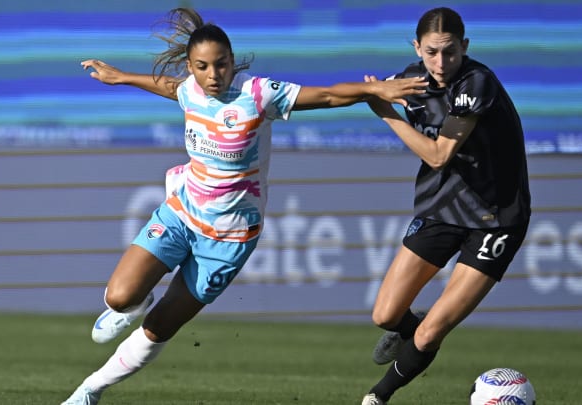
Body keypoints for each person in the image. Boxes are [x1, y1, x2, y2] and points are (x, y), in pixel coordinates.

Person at [60, 7, 426, 405]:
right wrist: (121, 77)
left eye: (221, 65)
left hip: (229, 238)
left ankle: (90, 390)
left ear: (233, 61)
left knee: (160, 325)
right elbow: (170, 86)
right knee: (119, 297)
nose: (213, 75)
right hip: (182, 212)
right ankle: (136, 299)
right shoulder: (190, 90)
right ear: (191, 67)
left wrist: (375, 90)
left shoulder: (258, 94)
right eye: (202, 67)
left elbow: (327, 95)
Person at [359, 7, 531, 405]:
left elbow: (439, 155)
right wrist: (373, 90)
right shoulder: (410, 80)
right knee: (385, 315)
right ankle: (412, 334)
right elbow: (369, 90)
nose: (441, 63)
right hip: (442, 210)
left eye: (450, 52)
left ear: (464, 47)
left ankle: (377, 397)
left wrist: (386, 114)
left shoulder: (477, 83)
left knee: (430, 332)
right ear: (417, 48)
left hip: (496, 220)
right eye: (432, 52)